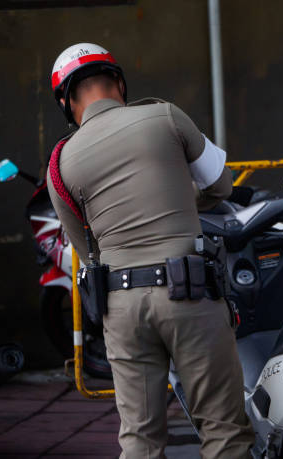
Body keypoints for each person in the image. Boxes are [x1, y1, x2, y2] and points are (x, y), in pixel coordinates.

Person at [46, 43, 254, 458]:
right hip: (190, 293)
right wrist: (178, 202)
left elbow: (88, 250)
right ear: (119, 82)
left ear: (67, 102)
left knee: (139, 438)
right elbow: (221, 185)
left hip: (121, 308)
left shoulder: (60, 164)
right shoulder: (164, 115)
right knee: (223, 430)